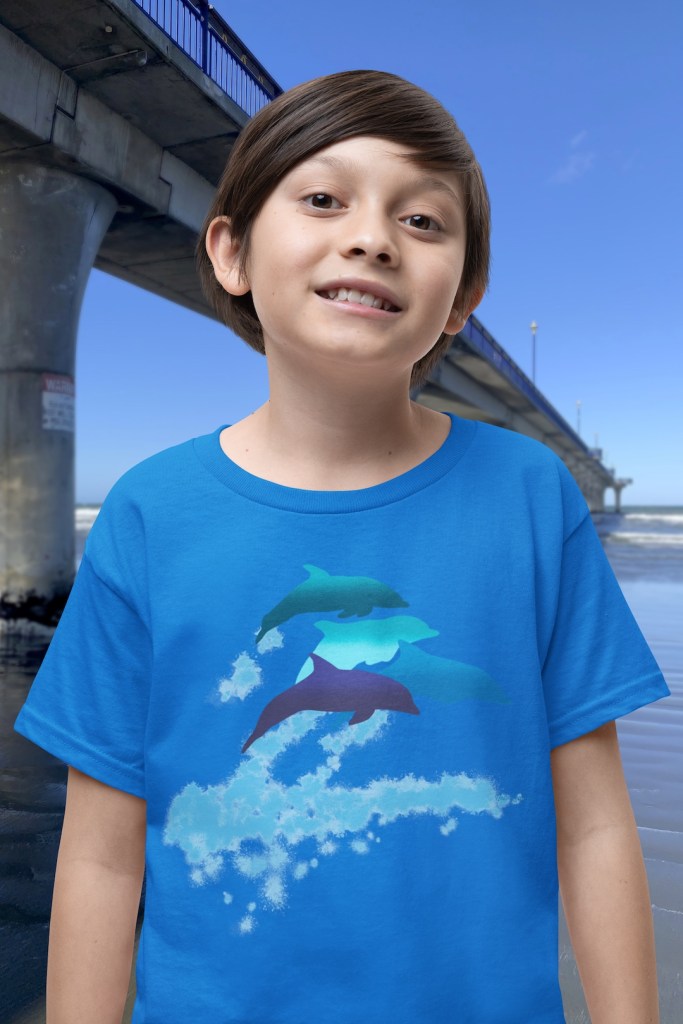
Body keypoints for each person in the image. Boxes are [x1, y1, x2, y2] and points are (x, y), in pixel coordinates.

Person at [14, 69, 670, 1024]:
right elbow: (104, 856)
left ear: (462, 298)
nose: (371, 237)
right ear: (231, 252)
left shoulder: (530, 495)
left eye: (422, 220)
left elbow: (596, 826)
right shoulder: (151, 511)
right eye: (323, 200)